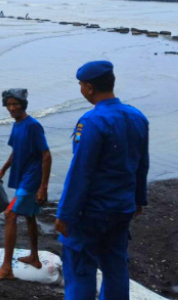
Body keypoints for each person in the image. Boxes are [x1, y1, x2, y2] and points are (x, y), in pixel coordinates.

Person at [55, 61, 149, 300]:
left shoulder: (92, 121)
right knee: (116, 267)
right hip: (122, 207)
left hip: (91, 212)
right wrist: (139, 199)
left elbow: (80, 171)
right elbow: (142, 164)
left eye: (80, 85)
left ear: (88, 87)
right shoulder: (137, 117)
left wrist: (65, 214)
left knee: (79, 269)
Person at [0, 89, 52, 280]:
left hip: (32, 179)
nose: (12, 108)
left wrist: (43, 187)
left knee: (10, 214)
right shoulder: (17, 125)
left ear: (23, 104)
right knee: (30, 216)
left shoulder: (33, 126)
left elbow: (46, 155)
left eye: (16, 104)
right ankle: (35, 257)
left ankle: (6, 269)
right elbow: (15, 152)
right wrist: (3, 170)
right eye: (9, 104)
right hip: (22, 176)